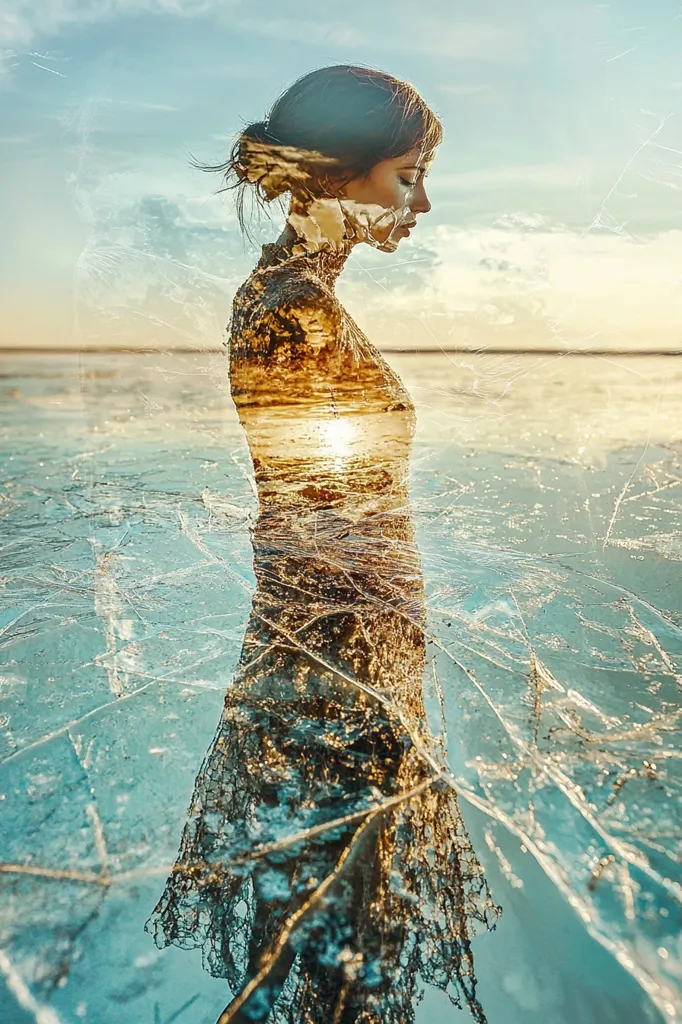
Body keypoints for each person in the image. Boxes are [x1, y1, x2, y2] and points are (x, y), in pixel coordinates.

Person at [145, 64, 499, 1024]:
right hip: (334, 681)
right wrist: (366, 700)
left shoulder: (303, 293)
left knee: (336, 959)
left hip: (354, 662)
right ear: (335, 178)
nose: (423, 203)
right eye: (405, 176)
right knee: (333, 965)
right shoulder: (290, 307)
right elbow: (312, 520)